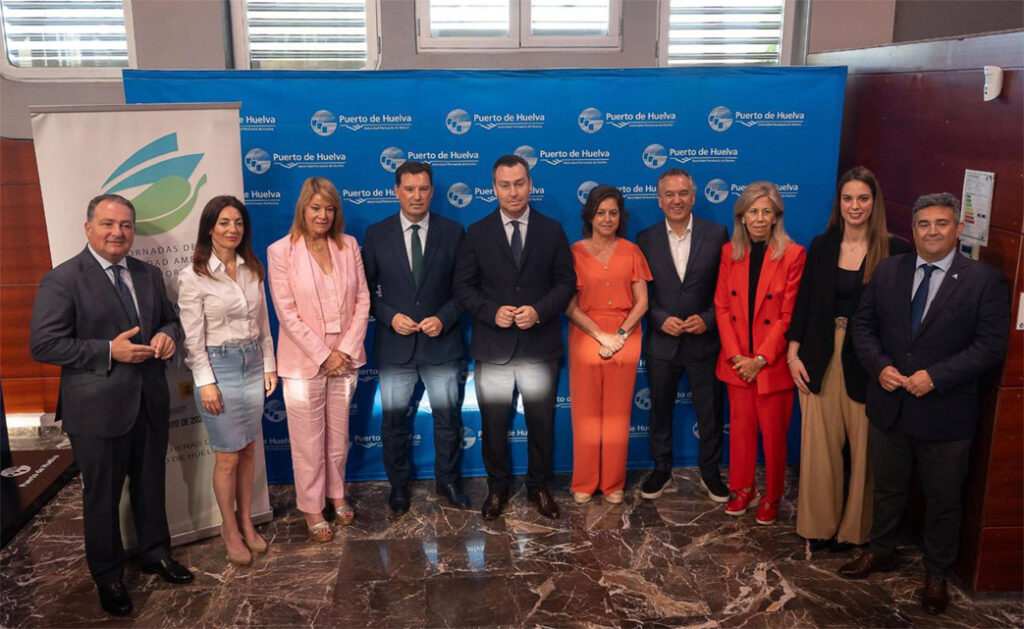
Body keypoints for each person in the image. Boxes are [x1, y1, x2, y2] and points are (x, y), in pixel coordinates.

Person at [842, 193, 1009, 615]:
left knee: (943, 500)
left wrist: (935, 377)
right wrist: (879, 367)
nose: (932, 231)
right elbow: (863, 325)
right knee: (887, 488)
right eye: (924, 224)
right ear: (913, 230)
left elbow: (989, 347)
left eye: (941, 223)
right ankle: (881, 551)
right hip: (891, 405)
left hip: (945, 413)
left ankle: (936, 573)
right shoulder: (888, 270)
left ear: (958, 229)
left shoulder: (984, 281)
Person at [29, 194, 193, 617]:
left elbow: (170, 318)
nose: (117, 232)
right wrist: (108, 351)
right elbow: (44, 344)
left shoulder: (148, 274)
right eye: (107, 224)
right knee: (101, 497)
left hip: (149, 401)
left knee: (151, 484)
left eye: (125, 225)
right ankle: (108, 576)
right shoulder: (63, 279)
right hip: (96, 411)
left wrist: (168, 334)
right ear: (89, 228)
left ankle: (156, 554)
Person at [787, 167, 911, 552]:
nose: (854, 206)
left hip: (869, 362)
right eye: (847, 198)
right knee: (819, 449)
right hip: (819, 355)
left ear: (875, 203)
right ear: (838, 203)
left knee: (864, 454)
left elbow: (901, 317)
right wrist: (792, 353)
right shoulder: (822, 245)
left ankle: (856, 532)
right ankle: (819, 526)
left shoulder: (896, 251)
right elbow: (805, 301)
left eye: (862, 198)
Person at [453, 154, 576, 520]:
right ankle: (497, 488)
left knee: (541, 424)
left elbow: (566, 283)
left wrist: (539, 310)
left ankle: (539, 487)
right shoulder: (477, 232)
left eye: (519, 183)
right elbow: (463, 287)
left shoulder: (551, 230)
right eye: (505, 185)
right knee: (493, 425)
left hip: (539, 345)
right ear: (494, 188)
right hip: (494, 347)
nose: (513, 192)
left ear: (530, 185)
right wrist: (491, 311)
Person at [362, 161, 469, 516]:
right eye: (409, 189)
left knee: (448, 418)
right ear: (396, 191)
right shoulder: (377, 234)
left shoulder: (453, 232)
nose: (416, 196)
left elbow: (465, 290)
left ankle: (448, 482)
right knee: (393, 422)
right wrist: (390, 317)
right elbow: (363, 293)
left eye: (423, 189)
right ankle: (398, 486)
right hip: (396, 346)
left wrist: (444, 317)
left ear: (432, 191)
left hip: (443, 343)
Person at [267, 177, 370, 543]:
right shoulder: (281, 251)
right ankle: (312, 506)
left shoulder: (348, 245)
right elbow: (286, 312)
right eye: (316, 208)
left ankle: (336, 494)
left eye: (329, 208)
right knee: (307, 442)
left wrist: (345, 350)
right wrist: (324, 355)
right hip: (303, 361)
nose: (323, 215)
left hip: (346, 358)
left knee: (338, 436)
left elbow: (363, 300)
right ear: (303, 209)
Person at [177, 195, 278, 565]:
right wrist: (205, 381)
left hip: (253, 363)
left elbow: (263, 324)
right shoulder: (193, 276)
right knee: (227, 457)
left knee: (248, 449)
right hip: (219, 367)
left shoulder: (252, 269)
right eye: (224, 222)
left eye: (238, 222)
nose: (232, 229)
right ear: (209, 228)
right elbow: (192, 338)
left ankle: (246, 520)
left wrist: (269, 365)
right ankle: (229, 528)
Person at [714, 181, 805, 526]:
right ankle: (743, 489)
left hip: (771, 363)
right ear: (742, 216)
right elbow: (722, 306)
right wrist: (737, 357)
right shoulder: (730, 252)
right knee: (740, 432)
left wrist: (761, 359)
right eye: (753, 211)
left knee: (774, 435)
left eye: (767, 211)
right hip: (737, 362)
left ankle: (772, 496)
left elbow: (788, 315)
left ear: (776, 216)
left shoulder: (793, 254)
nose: (759, 218)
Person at [636, 168, 729, 502]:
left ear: (694, 196)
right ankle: (661, 469)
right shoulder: (645, 239)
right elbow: (640, 293)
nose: (677, 200)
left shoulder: (717, 234)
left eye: (683, 193)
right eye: (669, 194)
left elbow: (727, 288)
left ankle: (710, 472)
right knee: (660, 410)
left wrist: (709, 319)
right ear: (659, 200)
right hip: (662, 342)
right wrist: (660, 319)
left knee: (710, 412)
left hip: (705, 341)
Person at [566, 185, 651, 504]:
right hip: (585, 334)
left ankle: (613, 483)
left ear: (620, 217)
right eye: (600, 212)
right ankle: (585, 481)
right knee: (585, 413)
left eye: (613, 213)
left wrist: (620, 335)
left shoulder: (632, 251)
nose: (606, 219)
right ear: (589, 215)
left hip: (625, 336)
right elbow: (569, 306)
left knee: (617, 414)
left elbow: (642, 303)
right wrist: (601, 336)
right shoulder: (574, 252)